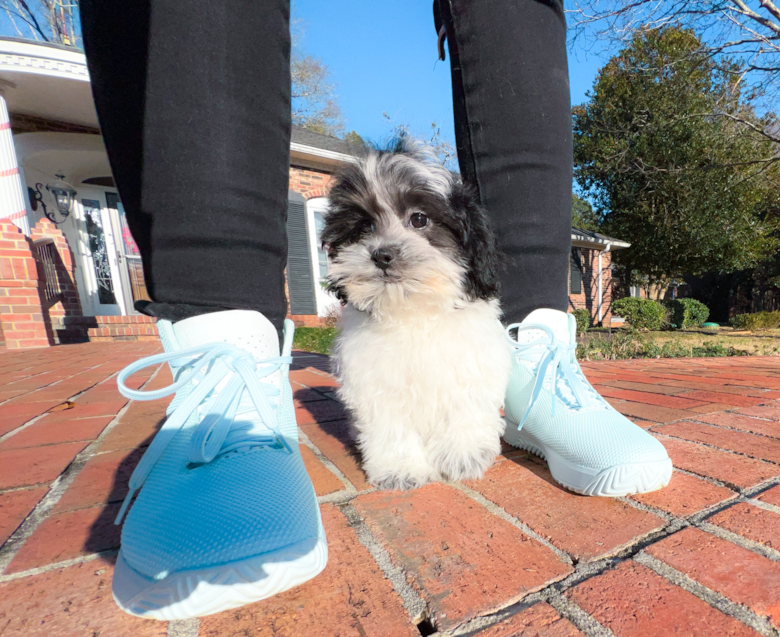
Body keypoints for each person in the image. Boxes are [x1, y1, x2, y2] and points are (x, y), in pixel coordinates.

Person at [79, 0, 672, 620]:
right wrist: (393, 452)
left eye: (419, 220)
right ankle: (229, 344)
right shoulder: (361, 328)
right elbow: (372, 398)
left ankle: (539, 350)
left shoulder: (475, 314)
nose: (387, 248)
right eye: (363, 227)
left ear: (467, 241)